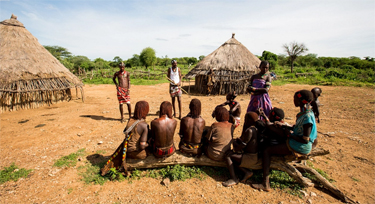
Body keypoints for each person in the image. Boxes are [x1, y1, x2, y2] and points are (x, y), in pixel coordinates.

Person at [251, 90, 317, 192]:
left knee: (266, 150)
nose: (293, 100)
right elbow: (298, 128)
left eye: (295, 98)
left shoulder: (307, 117)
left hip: (300, 145)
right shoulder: (305, 113)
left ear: (300, 100)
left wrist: (289, 134)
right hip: (298, 142)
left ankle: (265, 183)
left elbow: (305, 139)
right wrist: (286, 126)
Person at [100, 101, 150, 176]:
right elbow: (142, 146)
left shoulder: (131, 120)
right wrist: (149, 143)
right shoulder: (144, 125)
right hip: (136, 153)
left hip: (126, 150)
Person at [222, 112, 265, 187]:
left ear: (248, 120)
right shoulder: (257, 129)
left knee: (228, 156)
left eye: (245, 120)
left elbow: (242, 146)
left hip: (250, 158)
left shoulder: (250, 131)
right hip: (254, 155)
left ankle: (234, 178)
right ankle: (246, 172)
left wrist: (234, 150)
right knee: (233, 157)